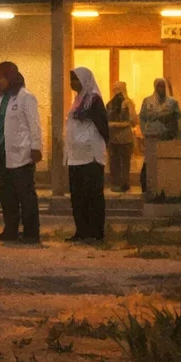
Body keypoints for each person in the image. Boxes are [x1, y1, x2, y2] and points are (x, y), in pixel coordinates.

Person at [0, 61, 43, 244]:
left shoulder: (26, 97)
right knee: (7, 195)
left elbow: (34, 125)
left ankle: (31, 233)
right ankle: (10, 231)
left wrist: (36, 147)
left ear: (11, 77)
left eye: (1, 77)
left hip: (22, 153)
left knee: (25, 195)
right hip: (2, 152)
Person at [65, 67, 110, 242]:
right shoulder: (77, 100)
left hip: (90, 155)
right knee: (78, 196)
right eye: (71, 80)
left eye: (76, 79)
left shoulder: (94, 100)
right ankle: (81, 231)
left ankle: (96, 233)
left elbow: (102, 125)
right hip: (75, 155)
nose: (73, 83)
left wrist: (101, 146)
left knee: (93, 196)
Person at [138, 78, 181, 194]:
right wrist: (144, 131)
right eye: (159, 86)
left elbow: (178, 119)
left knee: (166, 160)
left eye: (163, 86)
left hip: (167, 136)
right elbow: (142, 117)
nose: (161, 89)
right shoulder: (147, 101)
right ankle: (146, 187)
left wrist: (178, 135)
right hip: (151, 135)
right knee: (148, 161)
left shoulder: (172, 102)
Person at [106, 82, 136, 192]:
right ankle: (117, 183)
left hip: (123, 137)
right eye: (115, 89)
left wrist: (118, 124)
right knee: (116, 162)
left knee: (122, 162)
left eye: (117, 89)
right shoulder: (111, 104)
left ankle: (122, 183)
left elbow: (133, 121)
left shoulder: (127, 103)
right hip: (115, 137)